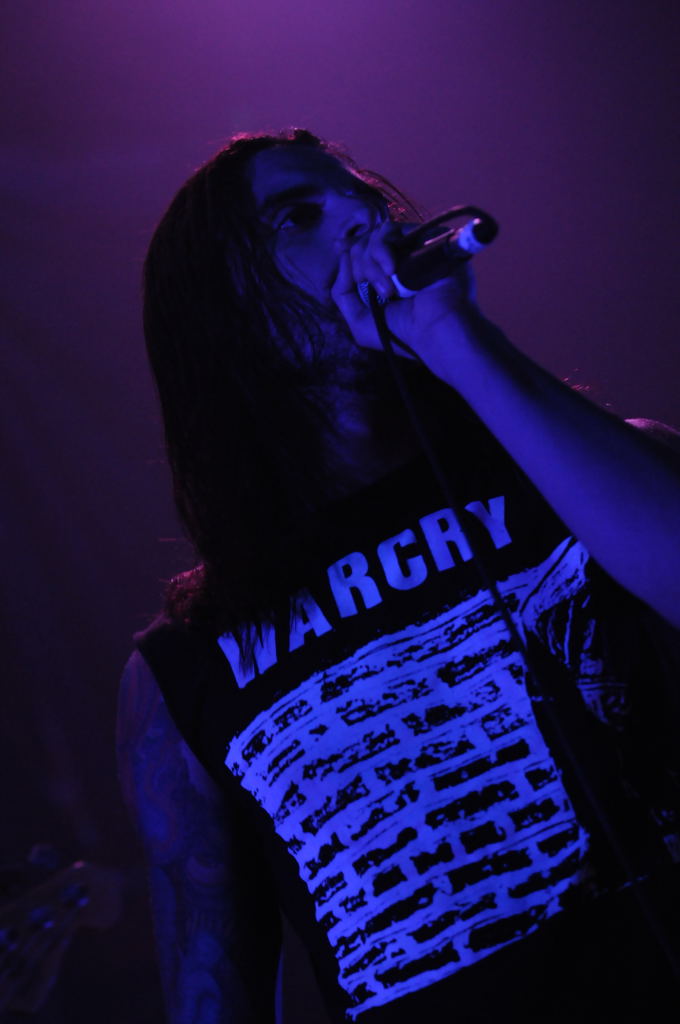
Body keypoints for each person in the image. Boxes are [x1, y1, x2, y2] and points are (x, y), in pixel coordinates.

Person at [117, 128, 680, 1023]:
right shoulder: (186, 663)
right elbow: (211, 991)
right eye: (298, 215)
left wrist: (456, 339)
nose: (361, 218)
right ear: (226, 309)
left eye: (367, 198)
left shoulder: (585, 476)